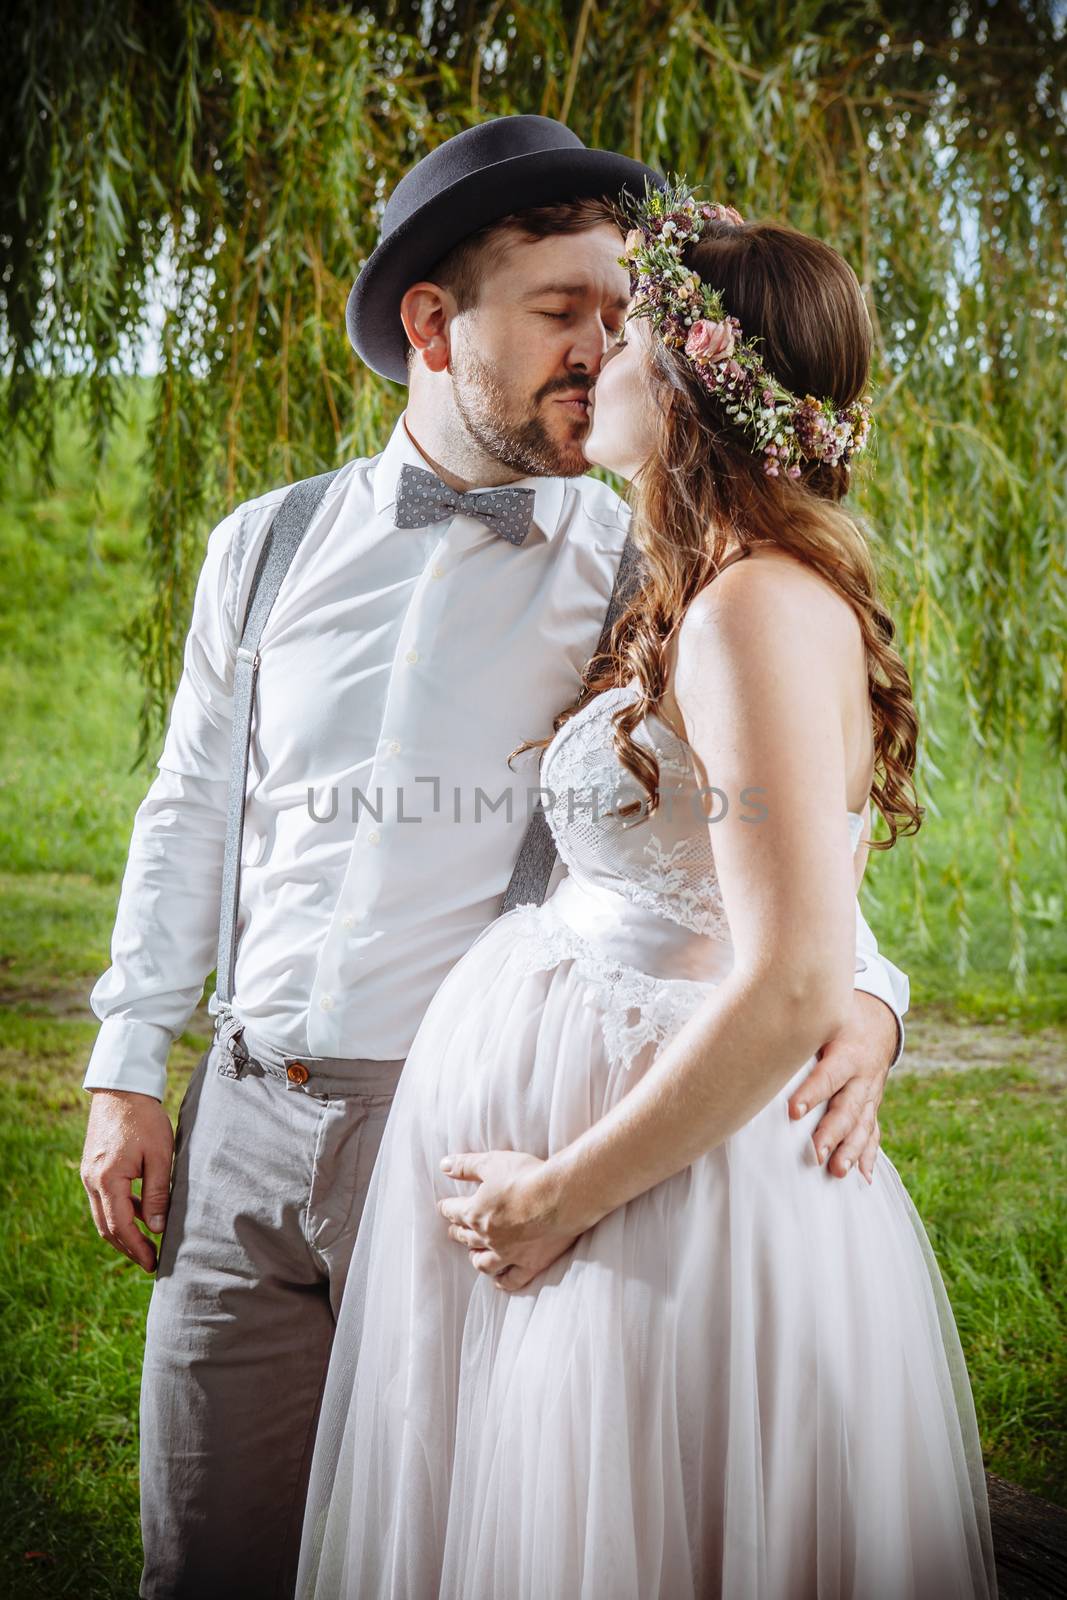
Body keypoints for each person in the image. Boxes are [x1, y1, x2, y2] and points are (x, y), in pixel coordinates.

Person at [78, 118, 908, 1598]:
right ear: (431, 327)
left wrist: (862, 990)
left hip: (457, 1131)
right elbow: (190, 806)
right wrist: (128, 1066)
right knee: (205, 1551)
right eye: (561, 313)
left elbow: (753, 832)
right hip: (244, 1117)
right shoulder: (263, 547)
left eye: (617, 318)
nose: (599, 350)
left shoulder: (643, 571)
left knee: (439, 1539)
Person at [293, 182, 997, 1598]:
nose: (594, 354)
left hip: (664, 1194)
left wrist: (557, 1197)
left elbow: (793, 969)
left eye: (625, 332)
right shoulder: (711, 584)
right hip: (622, 1148)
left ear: (679, 384)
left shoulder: (749, 609)